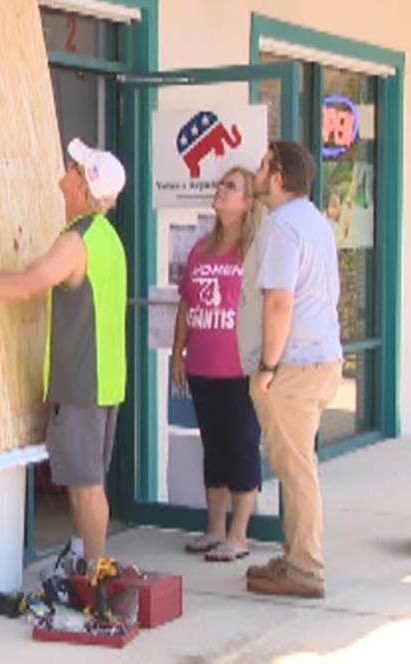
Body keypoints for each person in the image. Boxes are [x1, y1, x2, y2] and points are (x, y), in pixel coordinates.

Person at [0, 138, 127, 567]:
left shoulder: (78, 242)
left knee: (87, 484)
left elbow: (25, 285)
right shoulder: (108, 237)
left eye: (74, 166)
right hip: (104, 378)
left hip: (82, 380)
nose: (66, 168)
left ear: (82, 183)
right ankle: (84, 561)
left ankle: (95, 573)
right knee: (83, 480)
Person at [238, 140, 343, 599]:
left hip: (293, 367)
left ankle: (304, 567)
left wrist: (267, 367)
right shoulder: (314, 221)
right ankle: (296, 556)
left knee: (297, 470)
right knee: (299, 465)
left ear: (278, 176)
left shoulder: (282, 227)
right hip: (318, 359)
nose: (257, 172)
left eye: (263, 165)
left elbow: (280, 301)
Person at [170, 167, 263, 563]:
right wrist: (178, 352)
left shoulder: (255, 249)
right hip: (204, 364)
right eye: (221, 185)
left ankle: (239, 534)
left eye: (231, 187)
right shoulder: (201, 248)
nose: (220, 191)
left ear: (247, 202)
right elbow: (187, 303)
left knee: (241, 446)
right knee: (214, 448)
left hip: (240, 367)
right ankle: (215, 529)